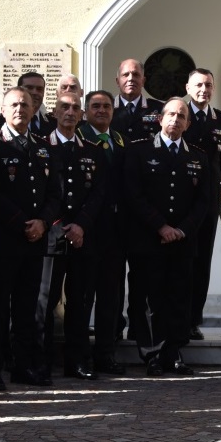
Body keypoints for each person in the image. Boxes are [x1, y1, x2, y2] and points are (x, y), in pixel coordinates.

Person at [120, 97, 214, 374]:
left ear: (187, 123)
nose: (175, 119)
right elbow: (133, 195)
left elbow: (203, 201)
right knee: (149, 300)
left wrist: (182, 229)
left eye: (181, 116)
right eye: (170, 114)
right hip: (149, 240)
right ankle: (152, 354)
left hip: (182, 242)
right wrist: (161, 226)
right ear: (160, 119)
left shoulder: (198, 156)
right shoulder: (139, 151)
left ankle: (173, 352)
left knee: (178, 299)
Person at [0, 86, 55, 388]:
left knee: (27, 308)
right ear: (3, 108)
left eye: (25, 105)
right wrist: (24, 222)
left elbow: (53, 193)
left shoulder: (43, 146)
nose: (20, 109)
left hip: (35, 240)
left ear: (34, 109)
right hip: (6, 240)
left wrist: (43, 222)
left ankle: (24, 367)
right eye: (14, 105)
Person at [46, 92, 117, 378]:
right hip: (51, 235)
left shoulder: (92, 149)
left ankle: (77, 361)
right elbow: (43, 193)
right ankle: (40, 360)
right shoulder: (42, 147)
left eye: (76, 108)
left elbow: (98, 192)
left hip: (82, 236)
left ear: (81, 115)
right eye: (65, 107)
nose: (71, 112)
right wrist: (60, 224)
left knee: (79, 301)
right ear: (55, 112)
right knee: (46, 301)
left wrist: (80, 225)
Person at [77, 90, 130, 373]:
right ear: (85, 111)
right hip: (87, 229)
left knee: (111, 297)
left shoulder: (120, 140)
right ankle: (82, 356)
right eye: (95, 106)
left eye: (106, 106)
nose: (101, 110)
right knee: (84, 297)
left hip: (115, 231)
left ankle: (106, 354)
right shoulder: (80, 139)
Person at [182, 68, 221, 343]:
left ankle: (193, 320)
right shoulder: (178, 114)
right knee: (179, 261)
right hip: (179, 200)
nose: (204, 89)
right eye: (199, 84)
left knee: (202, 262)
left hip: (207, 201)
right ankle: (173, 317)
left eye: (208, 85)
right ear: (188, 87)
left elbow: (220, 163)